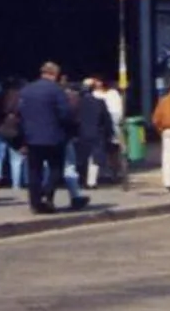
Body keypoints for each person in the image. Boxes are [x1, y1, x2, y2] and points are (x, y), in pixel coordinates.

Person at [18, 62, 80, 213]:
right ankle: (47, 194)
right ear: (55, 74)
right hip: (54, 137)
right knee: (56, 169)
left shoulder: (27, 90)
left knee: (34, 171)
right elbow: (65, 114)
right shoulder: (56, 90)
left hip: (32, 137)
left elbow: (19, 112)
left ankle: (35, 203)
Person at [70, 74, 109, 202]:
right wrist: (108, 133)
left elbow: (73, 120)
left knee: (81, 158)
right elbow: (106, 120)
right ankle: (91, 182)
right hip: (96, 133)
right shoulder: (99, 102)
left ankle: (81, 179)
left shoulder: (76, 103)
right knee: (94, 159)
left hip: (81, 133)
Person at [92, 77, 128, 188]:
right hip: (104, 126)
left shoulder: (112, 93)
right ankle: (109, 173)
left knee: (114, 151)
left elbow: (118, 110)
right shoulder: (96, 94)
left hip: (111, 125)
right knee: (107, 151)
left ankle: (115, 173)